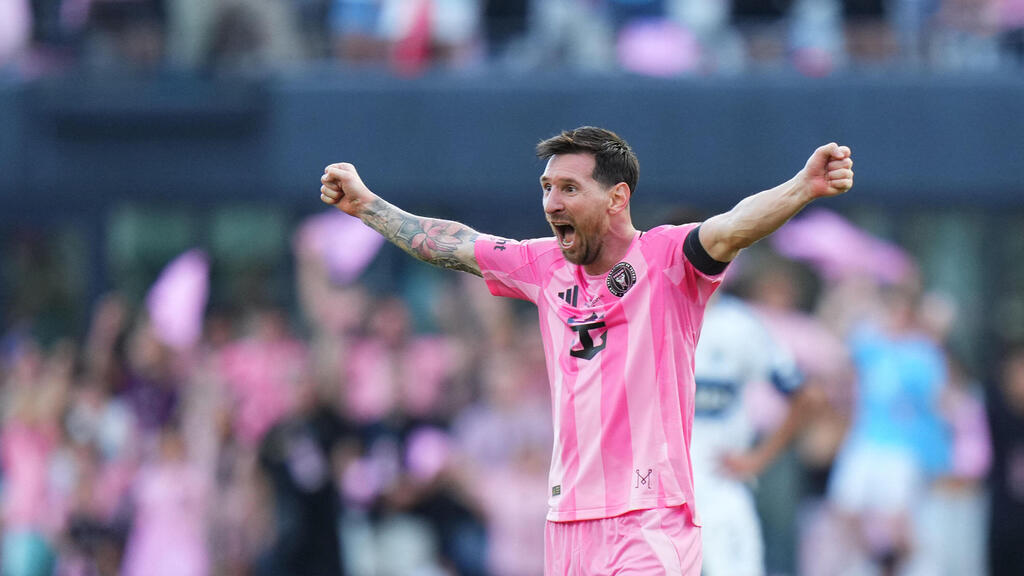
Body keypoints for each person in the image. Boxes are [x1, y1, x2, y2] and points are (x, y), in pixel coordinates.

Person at [319, 126, 854, 575]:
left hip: (651, 514)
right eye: (547, 187)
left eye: (569, 188)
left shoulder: (667, 259)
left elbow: (735, 226)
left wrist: (802, 187)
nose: (552, 202)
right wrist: (367, 205)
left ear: (616, 197)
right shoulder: (541, 264)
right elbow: (451, 242)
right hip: (570, 519)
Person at [690, 292, 814, 576]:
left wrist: (759, 458)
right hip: (655, 491)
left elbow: (804, 396)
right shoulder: (649, 312)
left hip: (720, 484)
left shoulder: (742, 325)